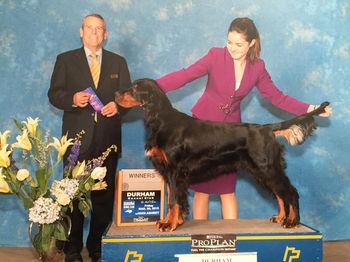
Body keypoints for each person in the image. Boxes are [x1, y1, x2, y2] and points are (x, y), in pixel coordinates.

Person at [156, 17, 332, 221]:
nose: (232, 48)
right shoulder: (215, 55)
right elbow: (185, 75)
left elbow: (277, 97)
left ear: (252, 43)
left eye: (238, 44)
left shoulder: (257, 67)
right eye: (229, 42)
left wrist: (311, 109)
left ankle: (231, 239)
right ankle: (200, 242)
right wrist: (152, 87)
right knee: (201, 192)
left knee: (227, 191)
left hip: (232, 134)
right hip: (202, 129)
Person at [48, 13, 131, 262]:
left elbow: (127, 96)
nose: (95, 33)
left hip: (108, 139)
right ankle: (73, 249)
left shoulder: (118, 62)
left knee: (104, 197)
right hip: (76, 140)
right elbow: (54, 94)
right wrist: (72, 99)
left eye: (100, 29)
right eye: (90, 28)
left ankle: (97, 246)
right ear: (81, 31)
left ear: (106, 34)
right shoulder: (65, 60)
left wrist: (119, 107)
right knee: (72, 196)